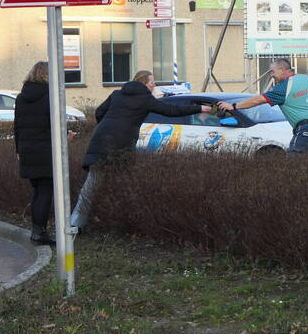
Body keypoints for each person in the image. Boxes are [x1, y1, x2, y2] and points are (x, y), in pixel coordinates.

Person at [70, 70, 211, 232]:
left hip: (100, 141)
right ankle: (129, 224)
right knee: (125, 184)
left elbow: (98, 112)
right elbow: (171, 111)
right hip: (121, 146)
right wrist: (199, 108)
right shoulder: (145, 99)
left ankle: (75, 224)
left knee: (91, 186)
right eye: (152, 82)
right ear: (144, 83)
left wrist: (109, 128)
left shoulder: (116, 94)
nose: (154, 85)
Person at [217, 58, 308, 153]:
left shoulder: (283, 88)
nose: (271, 75)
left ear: (283, 70)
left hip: (306, 129)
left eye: (272, 71)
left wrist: (233, 106)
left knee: (294, 165)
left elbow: (257, 100)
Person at [13, 61, 67, 245]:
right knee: (45, 191)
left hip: (27, 150)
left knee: (38, 191)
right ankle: (39, 233)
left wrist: (18, 149)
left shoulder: (21, 97)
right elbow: (55, 125)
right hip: (46, 150)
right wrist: (65, 137)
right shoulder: (51, 96)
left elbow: (17, 126)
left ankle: (37, 230)